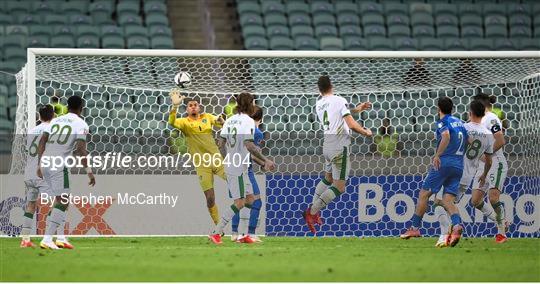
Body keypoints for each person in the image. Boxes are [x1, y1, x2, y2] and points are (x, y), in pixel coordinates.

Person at [303, 75, 372, 234]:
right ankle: (312, 212)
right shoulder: (339, 100)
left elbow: (338, 114)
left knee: (327, 178)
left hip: (327, 144)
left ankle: (314, 211)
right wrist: (365, 132)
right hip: (340, 146)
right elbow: (350, 124)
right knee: (339, 187)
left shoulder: (319, 104)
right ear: (332, 85)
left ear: (319, 90)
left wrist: (357, 109)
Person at [208, 92, 275, 245]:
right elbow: (249, 145)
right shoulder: (248, 122)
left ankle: (243, 235)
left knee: (250, 198)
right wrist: (266, 160)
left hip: (235, 164)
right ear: (250, 104)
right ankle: (216, 232)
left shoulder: (230, 120)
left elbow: (220, 142)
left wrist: (229, 155)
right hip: (238, 167)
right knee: (239, 202)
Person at [400, 97, 467, 247]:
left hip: (444, 163)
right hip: (458, 165)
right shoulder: (460, 123)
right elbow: (468, 142)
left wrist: (438, 154)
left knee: (424, 194)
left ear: (438, 108)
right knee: (448, 200)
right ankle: (456, 226)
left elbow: (446, 136)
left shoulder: (443, 122)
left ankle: (415, 229)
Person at [37, 95, 96, 249]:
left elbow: (42, 140)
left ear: (67, 106)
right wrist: (89, 171)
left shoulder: (55, 120)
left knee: (60, 200)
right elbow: (81, 149)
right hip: (58, 164)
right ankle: (47, 238)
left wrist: (39, 164)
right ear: (81, 108)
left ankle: (61, 237)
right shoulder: (81, 123)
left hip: (45, 162)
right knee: (63, 200)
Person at [433, 100, 494, 247]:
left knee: (438, 203)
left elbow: (448, 140)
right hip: (468, 176)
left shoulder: (463, 126)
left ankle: (444, 235)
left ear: (470, 113)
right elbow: (488, 160)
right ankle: (452, 232)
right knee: (450, 204)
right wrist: (484, 175)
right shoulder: (488, 134)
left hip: (453, 170)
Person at [168, 89, 225, 225]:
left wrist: (222, 120)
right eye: (190, 105)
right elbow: (171, 122)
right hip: (201, 165)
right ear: (187, 109)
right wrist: (175, 106)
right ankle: (218, 227)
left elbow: (220, 121)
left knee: (235, 183)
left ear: (199, 108)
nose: (193, 106)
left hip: (216, 160)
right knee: (210, 198)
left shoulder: (207, 117)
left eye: (195, 105)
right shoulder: (184, 122)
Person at [472, 93, 509, 243]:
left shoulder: (491, 118)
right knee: (475, 201)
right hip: (483, 165)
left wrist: (487, 154)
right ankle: (501, 221)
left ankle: (501, 233)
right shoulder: (478, 121)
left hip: (496, 163)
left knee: (493, 198)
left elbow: (500, 140)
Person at [20, 105, 55, 248]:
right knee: (60, 202)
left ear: (39, 117)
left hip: (29, 173)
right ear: (53, 116)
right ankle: (48, 237)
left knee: (31, 205)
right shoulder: (52, 130)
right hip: (43, 172)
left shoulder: (31, 131)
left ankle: (25, 239)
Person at [231, 105, 264, 243]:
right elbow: (250, 152)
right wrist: (264, 161)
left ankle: (234, 233)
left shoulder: (240, 128)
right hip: (245, 170)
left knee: (239, 202)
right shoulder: (256, 132)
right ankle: (251, 233)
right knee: (256, 202)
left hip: (232, 167)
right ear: (261, 119)